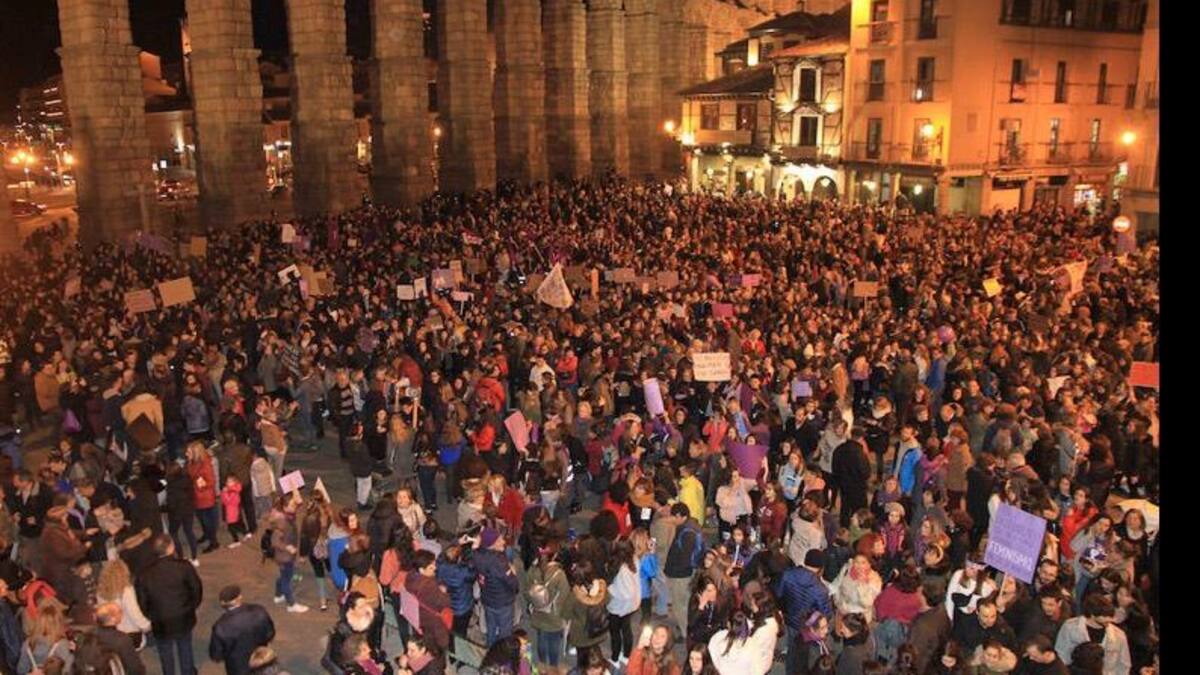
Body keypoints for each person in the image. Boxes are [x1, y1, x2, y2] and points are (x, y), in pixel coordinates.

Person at [134, 533, 203, 675]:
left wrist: (152, 615)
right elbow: (196, 589)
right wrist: (191, 607)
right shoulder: (184, 566)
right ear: (171, 547)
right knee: (185, 645)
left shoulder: (144, 575)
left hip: (160, 620)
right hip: (183, 615)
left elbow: (142, 602)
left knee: (165, 650)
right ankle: (188, 671)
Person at [1054, 594, 1131, 675]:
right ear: (1092, 614)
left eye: (1110, 615)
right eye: (1104, 615)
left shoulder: (1119, 635)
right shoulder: (1070, 627)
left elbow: (1124, 665)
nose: (1109, 619)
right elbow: (1062, 657)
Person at [209, 585, 276, 675]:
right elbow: (270, 634)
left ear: (223, 603)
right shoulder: (259, 611)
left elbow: (216, 655)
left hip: (237, 668)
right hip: (260, 661)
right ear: (239, 597)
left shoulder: (220, 626)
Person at [472, 527, 519, 646]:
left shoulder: (476, 555)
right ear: (491, 545)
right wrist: (513, 573)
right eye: (499, 540)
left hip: (487, 599)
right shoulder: (499, 562)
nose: (503, 541)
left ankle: (490, 648)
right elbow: (513, 583)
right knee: (505, 632)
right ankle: (503, 652)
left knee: (491, 628)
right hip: (502, 602)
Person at [663, 503, 702, 640]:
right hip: (684, 573)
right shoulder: (690, 527)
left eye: (673, 516)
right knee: (684, 603)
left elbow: (685, 559)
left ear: (680, 516)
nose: (671, 519)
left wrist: (673, 572)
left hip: (681, 576)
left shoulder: (687, 533)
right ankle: (686, 628)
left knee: (680, 605)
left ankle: (685, 633)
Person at [95, 559, 151, 650]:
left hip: (110, 634)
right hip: (129, 633)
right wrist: (147, 626)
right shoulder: (126, 591)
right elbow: (134, 613)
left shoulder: (100, 591)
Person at [706, 608, 779, 675]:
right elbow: (757, 671)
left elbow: (711, 662)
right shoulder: (752, 644)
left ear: (728, 624)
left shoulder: (717, 638)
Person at [93, 603, 147, 675]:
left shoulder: (88, 635)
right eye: (119, 612)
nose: (122, 614)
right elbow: (134, 668)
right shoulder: (122, 640)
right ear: (113, 619)